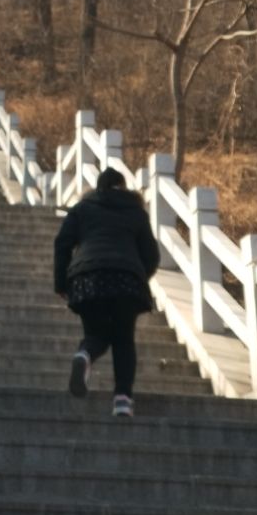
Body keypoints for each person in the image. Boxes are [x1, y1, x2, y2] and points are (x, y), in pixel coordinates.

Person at [53, 166, 159, 419]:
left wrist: (61, 283)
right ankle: (122, 400)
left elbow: (62, 243)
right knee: (123, 339)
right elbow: (152, 255)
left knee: (96, 333)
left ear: (97, 188)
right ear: (124, 187)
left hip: (88, 277)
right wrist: (137, 273)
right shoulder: (136, 212)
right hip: (126, 281)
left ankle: (84, 354)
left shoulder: (82, 209)